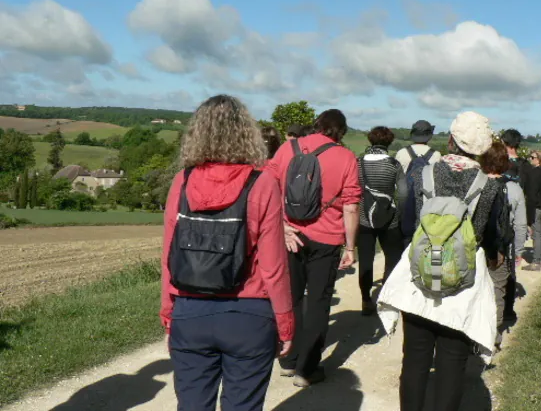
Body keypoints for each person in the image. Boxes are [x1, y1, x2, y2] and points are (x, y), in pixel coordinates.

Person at [160, 95, 294, 411]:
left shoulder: (182, 181)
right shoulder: (263, 183)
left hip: (190, 311)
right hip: (249, 316)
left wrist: (169, 314)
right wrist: (285, 323)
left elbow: (168, 255)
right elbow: (274, 267)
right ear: (246, 133)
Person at [378, 111, 501, 411]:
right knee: (452, 364)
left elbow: (409, 225)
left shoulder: (423, 174)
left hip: (421, 278)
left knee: (415, 361)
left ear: (450, 140)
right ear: (482, 148)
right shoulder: (489, 186)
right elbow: (493, 236)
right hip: (462, 282)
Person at [267, 109, 361, 388]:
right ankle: (307, 370)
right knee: (319, 302)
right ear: (340, 132)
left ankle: (287, 358)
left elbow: (266, 187)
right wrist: (351, 247)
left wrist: (280, 225)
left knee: (291, 297)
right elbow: (352, 206)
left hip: (289, 235)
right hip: (328, 238)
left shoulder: (288, 147)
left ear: (317, 125)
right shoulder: (346, 157)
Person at [479, 141, 528, 350]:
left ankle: (473, 335)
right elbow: (520, 224)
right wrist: (517, 251)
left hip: (475, 247)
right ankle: (493, 337)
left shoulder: (475, 183)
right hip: (499, 250)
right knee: (497, 291)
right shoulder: (514, 189)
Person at [357, 126, 408, 315]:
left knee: (365, 259)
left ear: (371, 141)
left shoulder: (358, 162)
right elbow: (403, 194)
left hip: (364, 216)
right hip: (389, 217)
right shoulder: (393, 165)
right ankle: (386, 296)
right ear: (389, 142)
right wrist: (400, 213)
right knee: (392, 257)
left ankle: (365, 299)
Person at [500, 128, 537, 320]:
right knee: (513, 261)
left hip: (499, 216)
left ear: (504, 141)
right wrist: (529, 222)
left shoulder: (497, 160)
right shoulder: (526, 166)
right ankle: (508, 307)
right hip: (518, 216)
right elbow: (530, 197)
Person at [522, 150, 541, 272]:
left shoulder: (533, 174)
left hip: (536, 207)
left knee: (536, 234)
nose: (530, 159)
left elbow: (531, 196)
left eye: (532, 157)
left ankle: (536, 262)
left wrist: (529, 217)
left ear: (539, 160)